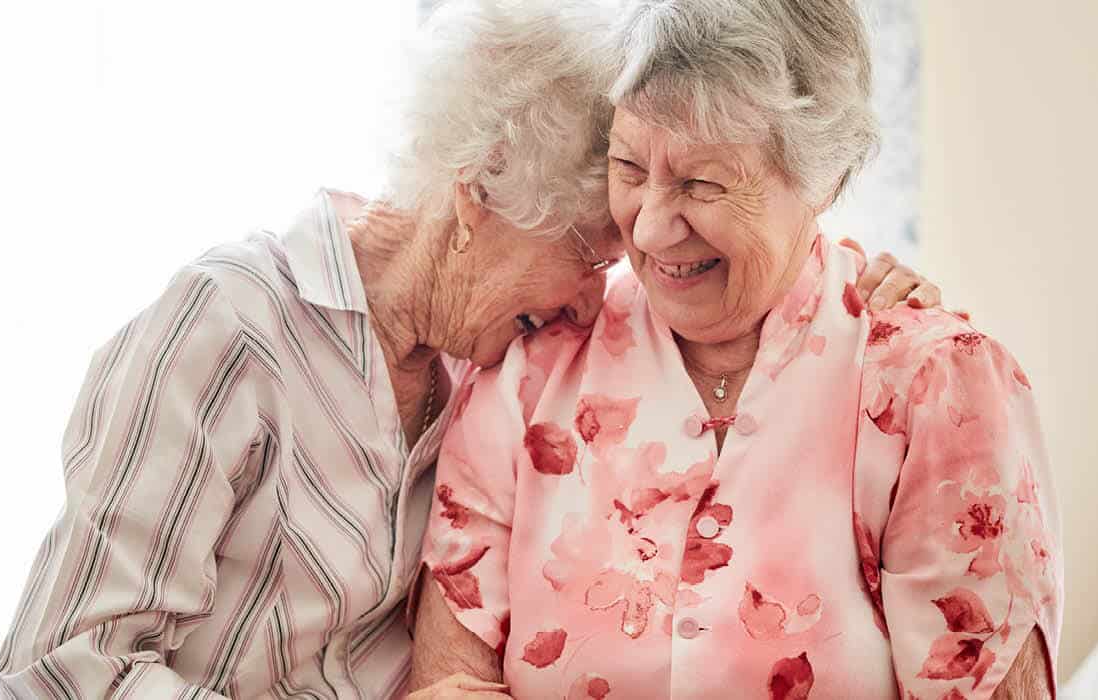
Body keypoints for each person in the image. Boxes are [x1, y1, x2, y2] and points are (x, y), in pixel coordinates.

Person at [0, 0, 939, 696]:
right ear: (480, 191)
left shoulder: (489, 373)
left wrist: (853, 290)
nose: (590, 298)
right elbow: (64, 659)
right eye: (582, 253)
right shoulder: (228, 328)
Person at [410, 0, 1059, 698]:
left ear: (822, 178)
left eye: (701, 183)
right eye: (628, 168)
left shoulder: (934, 387)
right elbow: (447, 684)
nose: (652, 229)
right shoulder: (528, 375)